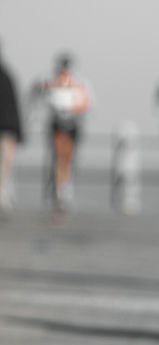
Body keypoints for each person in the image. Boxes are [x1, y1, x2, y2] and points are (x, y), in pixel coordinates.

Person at [35, 54, 91, 212]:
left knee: (68, 158)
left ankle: (64, 191)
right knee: (58, 158)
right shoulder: (50, 81)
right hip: (57, 126)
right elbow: (39, 95)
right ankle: (57, 192)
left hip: (73, 126)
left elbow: (87, 104)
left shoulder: (80, 83)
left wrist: (72, 111)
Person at [0, 42, 23, 216]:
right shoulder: (7, 75)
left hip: (6, 129)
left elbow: (12, 107)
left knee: (5, 165)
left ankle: (3, 198)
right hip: (8, 129)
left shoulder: (6, 76)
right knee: (5, 165)